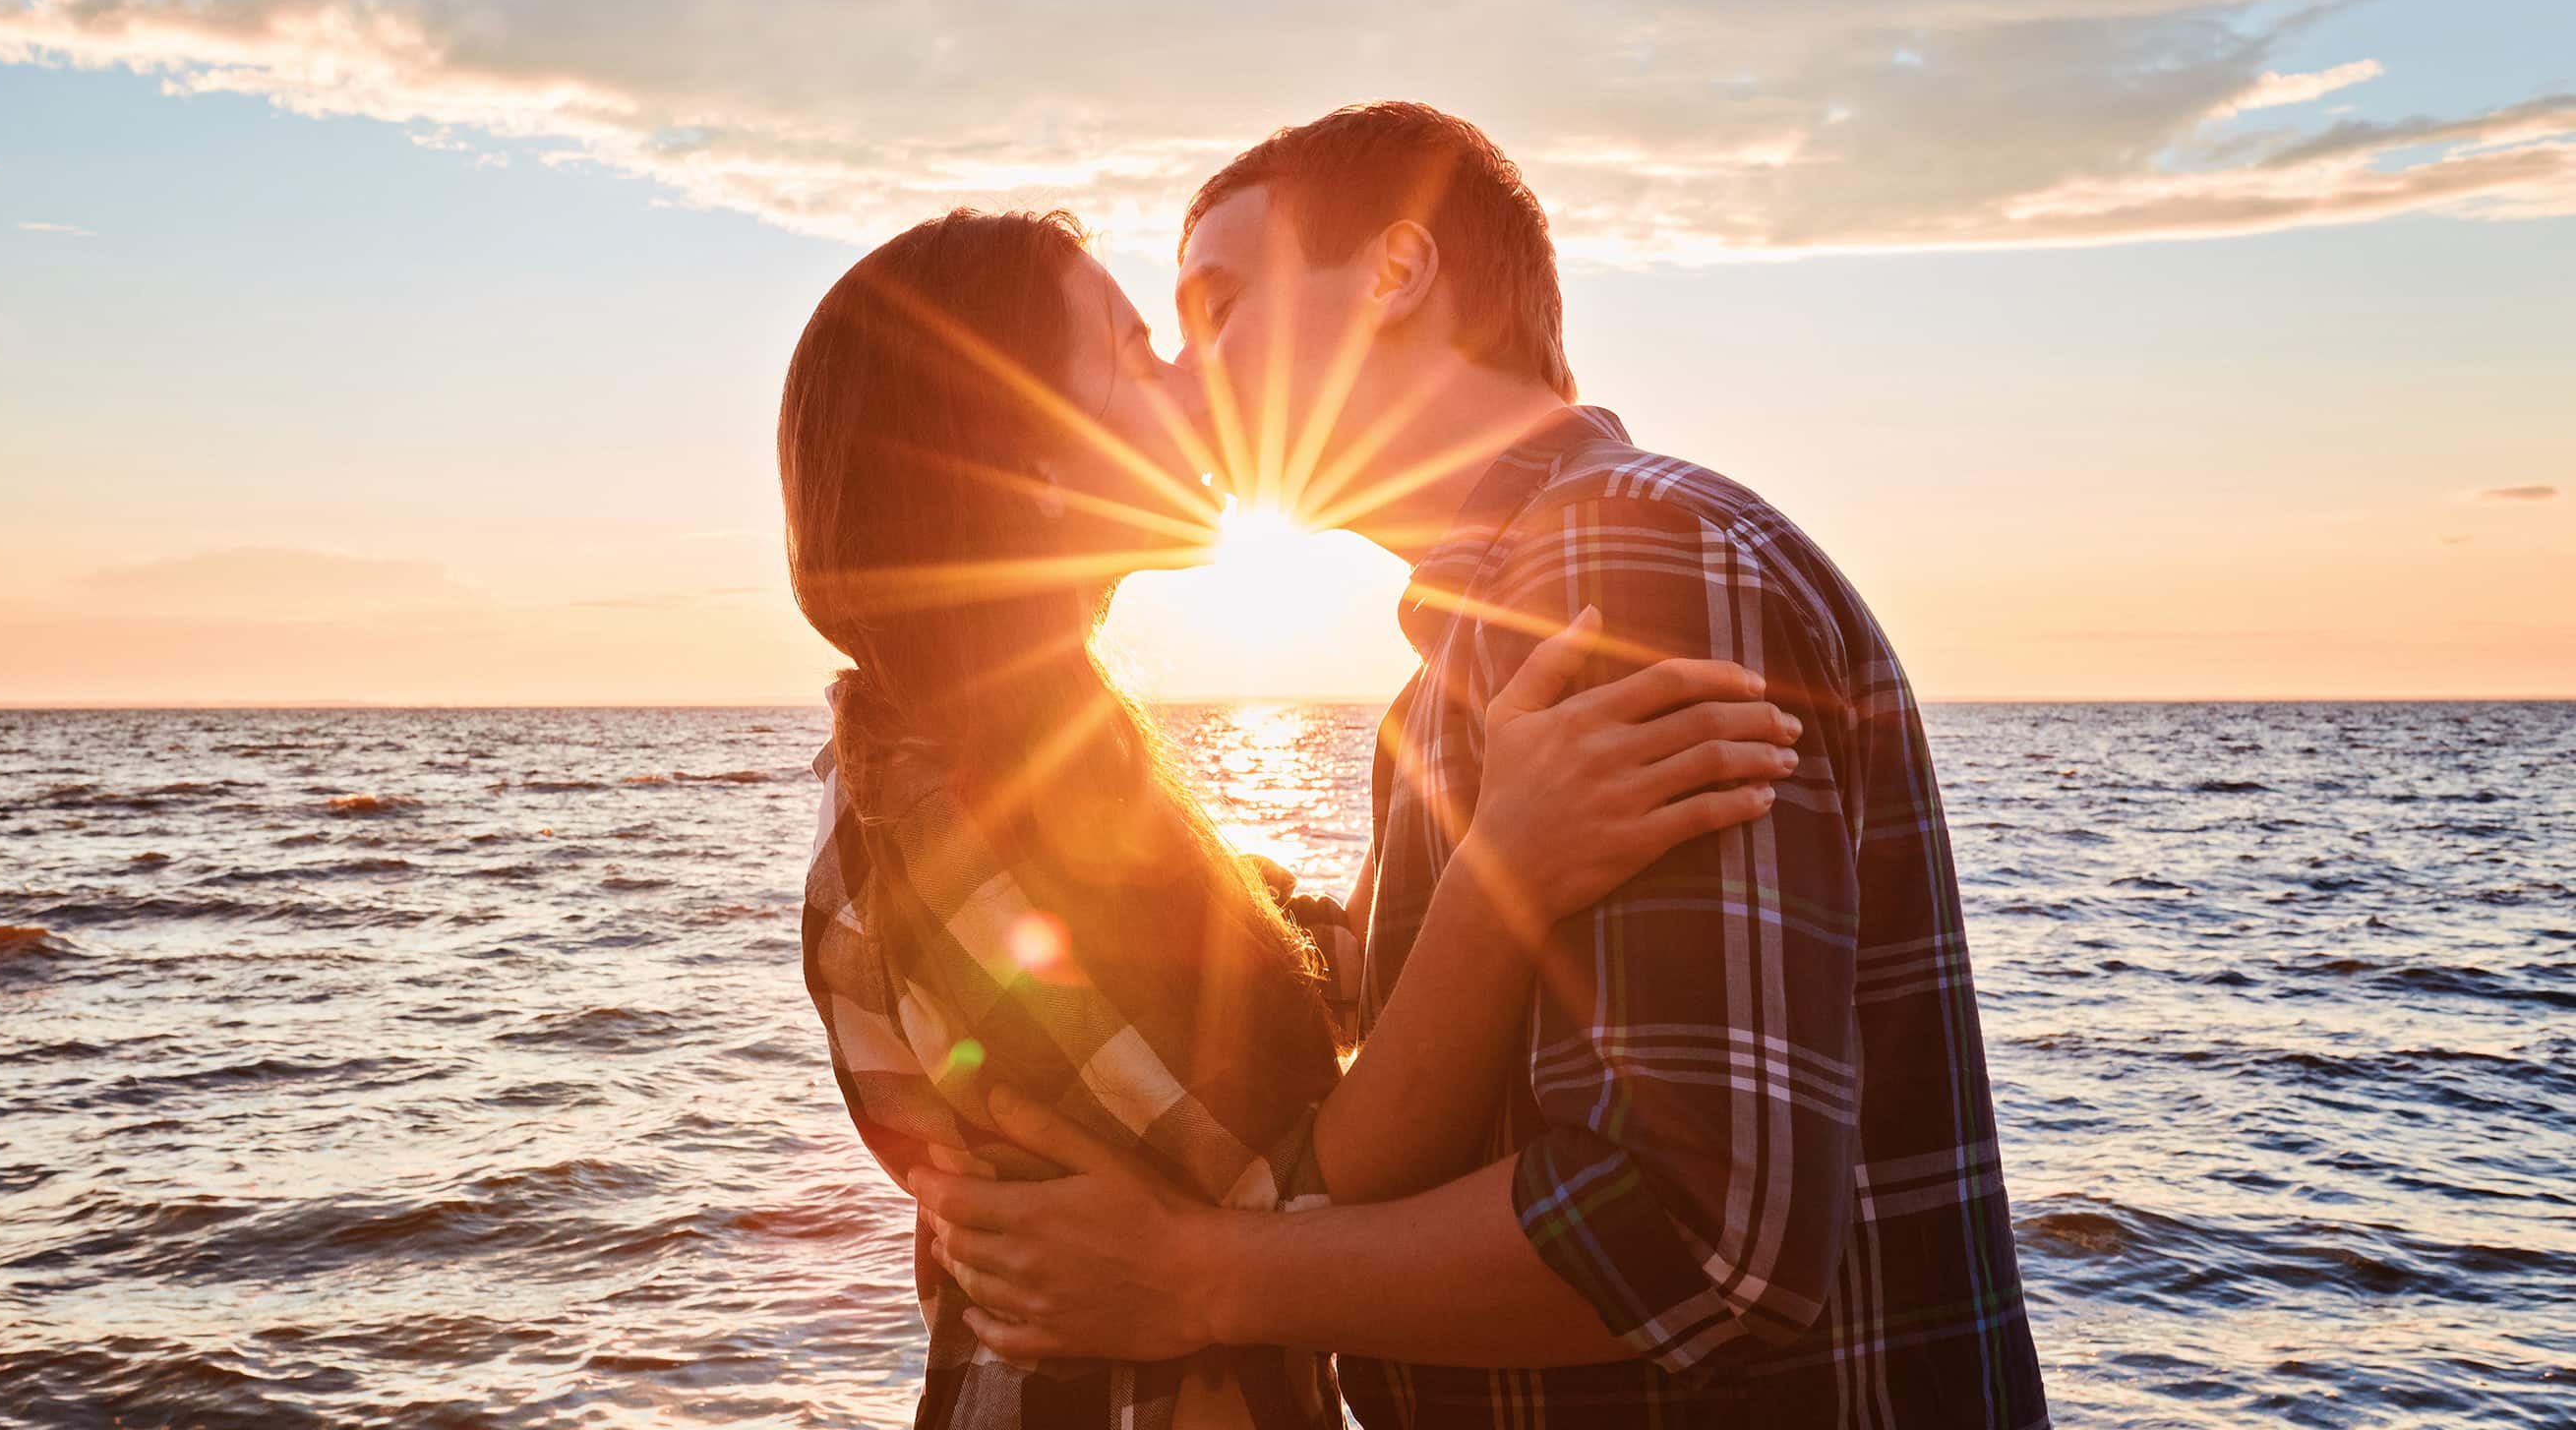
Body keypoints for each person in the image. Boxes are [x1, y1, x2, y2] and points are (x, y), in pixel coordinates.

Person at [909, 104, 2050, 1429]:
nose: (1186, 375)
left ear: (1397, 272)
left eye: (1220, 310)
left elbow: (1693, 1235)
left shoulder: (1629, 560)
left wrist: (1202, 1280)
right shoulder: (1461, 672)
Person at [779, 207, 1804, 1428]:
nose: (1193, 381)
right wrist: (1501, 874)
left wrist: (1451, 774)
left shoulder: (1052, 758)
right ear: (1034, 462)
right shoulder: (945, 812)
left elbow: (1285, 992)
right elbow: (1301, 1186)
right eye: (1138, 349)